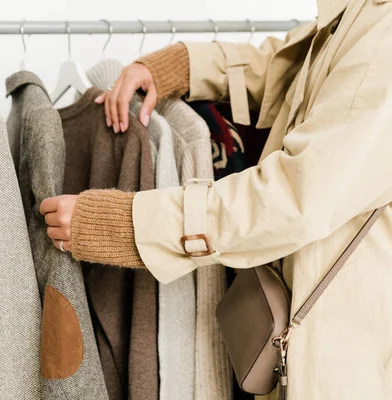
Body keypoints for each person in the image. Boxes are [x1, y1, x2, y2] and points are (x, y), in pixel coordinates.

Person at [40, 0, 392, 398]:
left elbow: (292, 198)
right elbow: (290, 67)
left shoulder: (384, 33)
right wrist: (184, 66)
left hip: (340, 360)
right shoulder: (360, 14)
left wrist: (129, 222)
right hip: (313, 342)